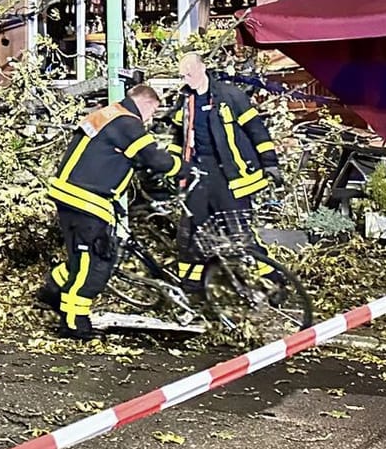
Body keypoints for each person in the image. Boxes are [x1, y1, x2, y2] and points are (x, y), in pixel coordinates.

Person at [43, 82, 186, 339]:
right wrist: (183, 167)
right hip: (86, 201)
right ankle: (74, 323)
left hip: (72, 196)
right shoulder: (128, 123)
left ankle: (53, 289)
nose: (151, 117)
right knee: (96, 265)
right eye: (153, 111)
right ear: (146, 103)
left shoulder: (109, 114)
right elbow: (153, 159)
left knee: (80, 260)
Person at [173, 53, 282, 265]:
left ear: (202, 68)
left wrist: (269, 162)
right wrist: (174, 166)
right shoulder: (186, 101)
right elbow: (179, 136)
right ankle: (192, 285)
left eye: (190, 73)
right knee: (192, 233)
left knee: (238, 231)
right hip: (197, 174)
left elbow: (256, 130)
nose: (187, 79)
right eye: (183, 75)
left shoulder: (230, 96)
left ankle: (270, 278)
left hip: (230, 175)